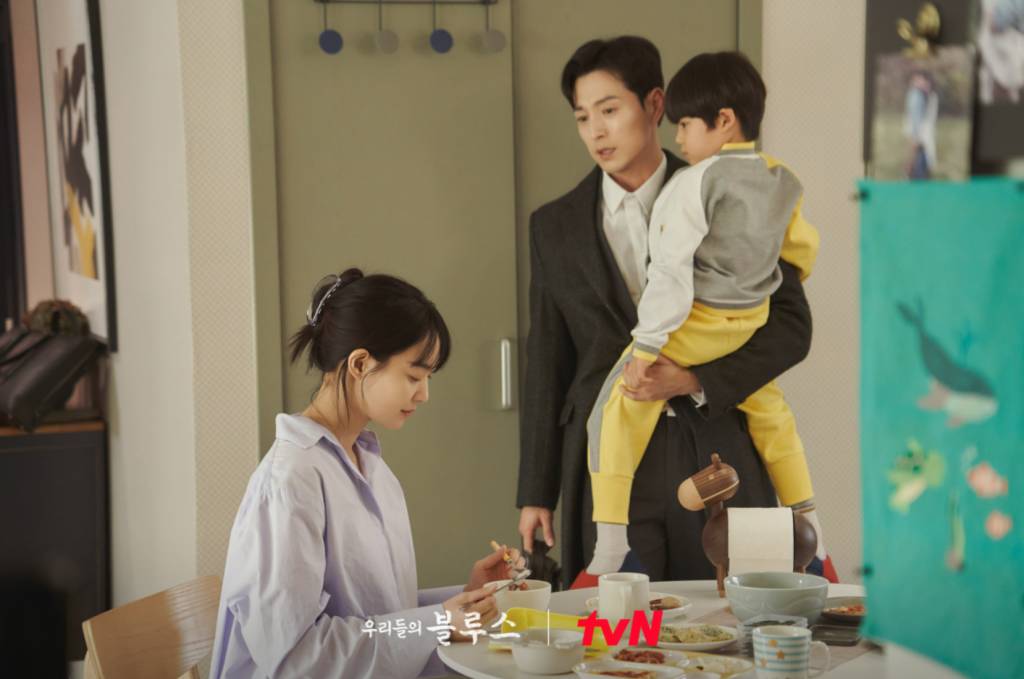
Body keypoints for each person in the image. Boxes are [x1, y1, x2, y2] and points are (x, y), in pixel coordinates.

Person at [516, 36, 833, 588]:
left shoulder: (734, 193)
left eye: (610, 110)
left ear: (655, 106)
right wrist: (536, 493)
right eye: (582, 117)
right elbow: (548, 360)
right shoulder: (553, 225)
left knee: (727, 620)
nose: (596, 132)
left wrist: (695, 379)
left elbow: (791, 328)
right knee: (619, 627)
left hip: (720, 448)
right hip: (612, 471)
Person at [211, 269, 518, 678]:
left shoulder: (369, 466)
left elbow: (380, 616)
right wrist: (440, 622)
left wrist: (466, 599)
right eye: (414, 376)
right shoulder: (290, 480)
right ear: (359, 363)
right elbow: (296, 660)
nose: (424, 394)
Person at [904, 71, 937, 180]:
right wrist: (916, 135)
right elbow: (915, 117)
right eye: (917, 80)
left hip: (923, 131)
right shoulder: (916, 95)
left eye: (921, 80)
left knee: (923, 157)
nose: (920, 83)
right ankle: (912, 176)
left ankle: (917, 176)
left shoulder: (927, 95)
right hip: (918, 132)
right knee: (915, 157)